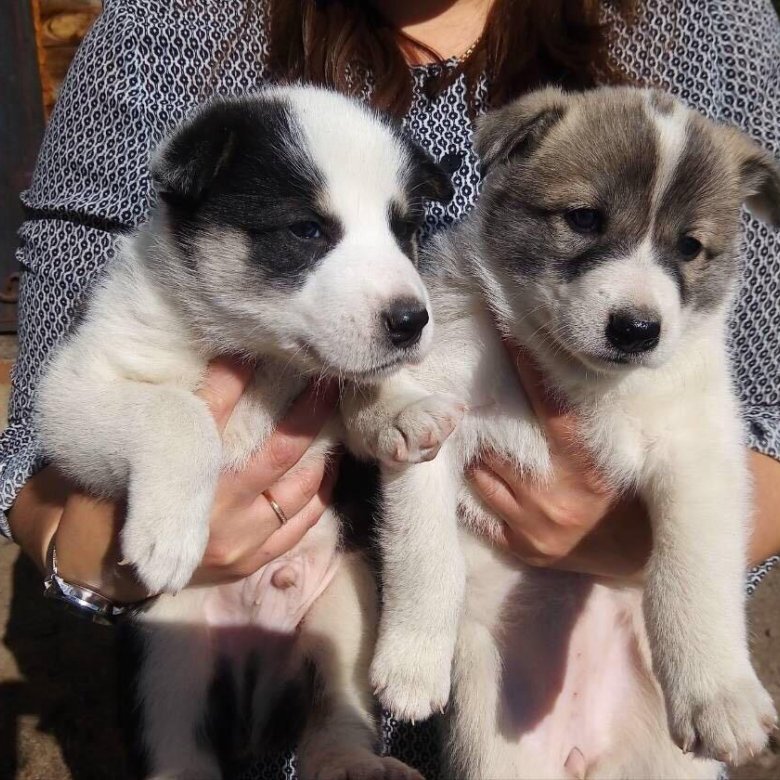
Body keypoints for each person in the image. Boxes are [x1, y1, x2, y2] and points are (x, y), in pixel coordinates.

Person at [3, 0, 779, 776]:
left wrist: (628, 547)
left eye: (406, 228)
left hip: (581, 649)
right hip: (297, 659)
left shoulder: (710, 27)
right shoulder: (170, 30)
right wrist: (94, 552)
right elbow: (38, 447)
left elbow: (764, 424)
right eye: (581, 218)